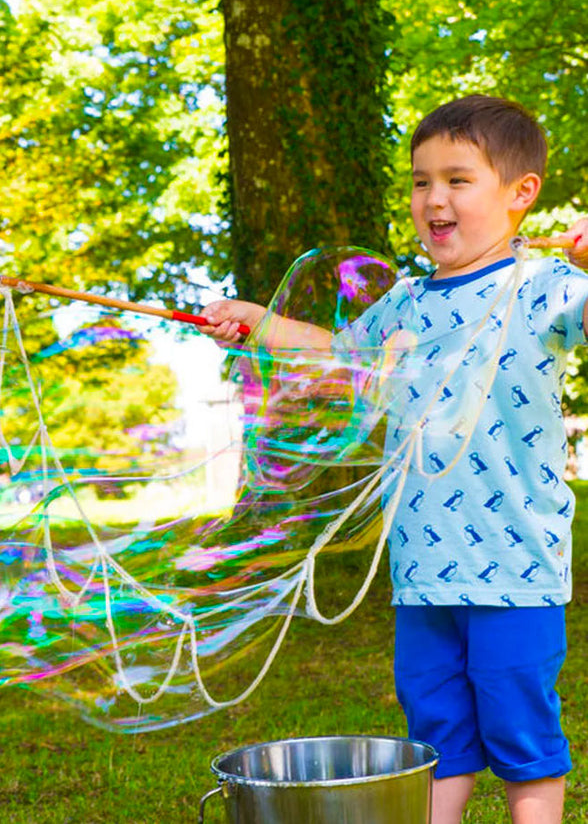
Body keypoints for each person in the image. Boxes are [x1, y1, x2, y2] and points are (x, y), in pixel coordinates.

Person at [201, 94, 588, 824]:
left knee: (521, 733)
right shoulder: (405, 304)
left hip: (516, 570)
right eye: (420, 181)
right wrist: (260, 323)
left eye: (457, 180)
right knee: (434, 734)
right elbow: (336, 352)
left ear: (520, 194)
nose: (433, 199)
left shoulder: (544, 288)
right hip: (422, 571)